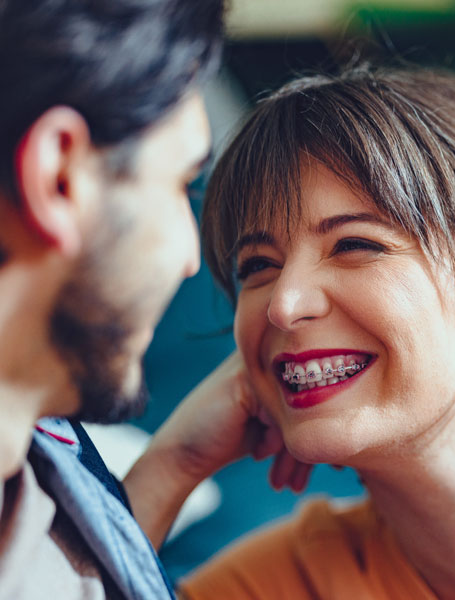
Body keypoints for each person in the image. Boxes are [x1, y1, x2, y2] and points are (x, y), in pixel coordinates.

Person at [179, 65, 455, 599]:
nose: (283, 306)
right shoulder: (270, 586)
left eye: (355, 245)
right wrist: (173, 465)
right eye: (258, 265)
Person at [0, 2, 305, 598]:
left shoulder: (37, 484)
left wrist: (174, 464)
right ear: (59, 176)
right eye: (180, 186)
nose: (191, 258)